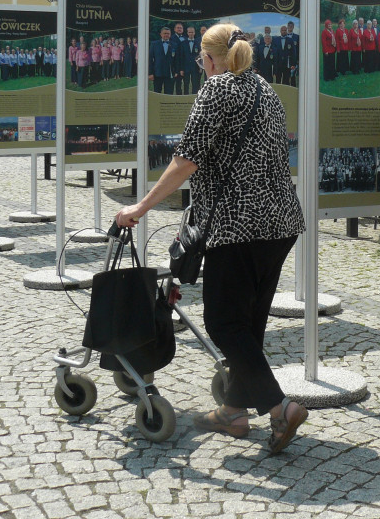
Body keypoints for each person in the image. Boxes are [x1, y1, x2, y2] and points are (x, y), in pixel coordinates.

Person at [115, 24, 308, 453]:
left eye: (201, 59)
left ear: (209, 59)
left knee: (223, 322)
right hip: (280, 223)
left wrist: (139, 208)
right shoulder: (264, 88)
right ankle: (234, 412)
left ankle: (280, 409)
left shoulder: (217, 88)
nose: (201, 66)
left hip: (239, 226)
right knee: (248, 323)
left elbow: (186, 161)